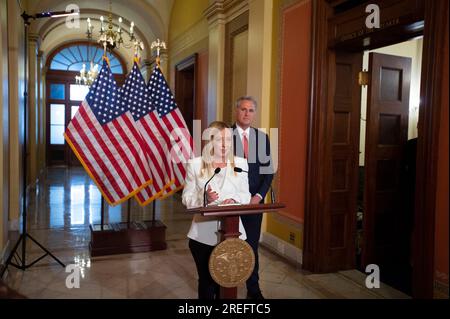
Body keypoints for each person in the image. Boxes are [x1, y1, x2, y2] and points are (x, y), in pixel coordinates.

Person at [182, 121, 251, 299]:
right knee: (207, 283)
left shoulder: (241, 164)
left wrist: (235, 200)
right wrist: (204, 198)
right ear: (210, 141)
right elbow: (186, 198)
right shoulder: (195, 165)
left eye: (228, 139)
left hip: (233, 235)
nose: (224, 144)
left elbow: (246, 196)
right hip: (203, 236)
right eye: (219, 139)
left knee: (228, 282)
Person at [232, 96, 274, 299]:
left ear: (254, 114)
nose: (246, 113)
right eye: (243, 109)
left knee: (252, 246)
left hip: (254, 203)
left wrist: (258, 196)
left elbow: (269, 172)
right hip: (229, 204)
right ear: (236, 111)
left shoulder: (262, 138)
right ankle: (220, 287)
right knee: (224, 245)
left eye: (250, 110)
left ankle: (253, 290)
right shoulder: (224, 135)